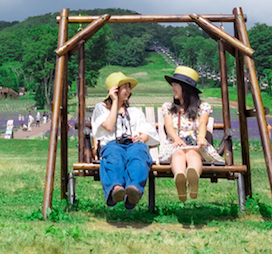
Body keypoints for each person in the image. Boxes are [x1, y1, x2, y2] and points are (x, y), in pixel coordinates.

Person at [91, 72, 158, 210]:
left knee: (139, 154)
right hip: (112, 144)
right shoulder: (102, 109)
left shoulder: (134, 112)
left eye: (129, 87)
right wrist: (115, 101)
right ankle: (116, 188)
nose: (128, 91)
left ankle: (134, 189)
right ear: (114, 90)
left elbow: (146, 130)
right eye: (124, 87)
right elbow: (109, 126)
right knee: (114, 156)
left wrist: (142, 138)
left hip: (132, 144)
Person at [157, 66, 225, 201]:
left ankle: (193, 178)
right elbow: (169, 126)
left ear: (185, 88)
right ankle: (180, 178)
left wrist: (201, 137)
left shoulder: (202, 107)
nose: (173, 89)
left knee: (193, 153)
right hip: (175, 143)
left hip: (195, 144)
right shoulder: (169, 108)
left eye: (176, 85)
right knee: (178, 153)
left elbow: (202, 123)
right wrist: (176, 138)